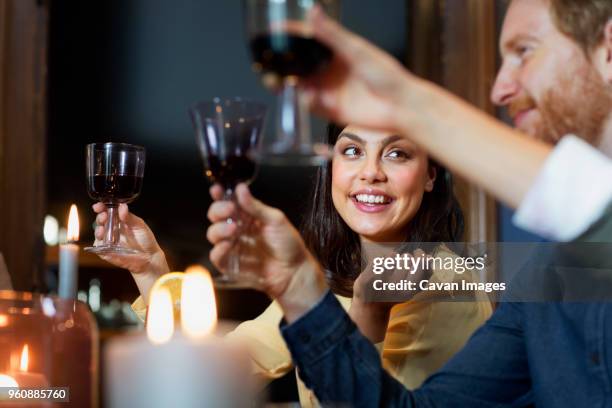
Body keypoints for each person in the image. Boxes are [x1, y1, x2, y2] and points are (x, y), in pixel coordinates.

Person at [206, 0, 612, 406]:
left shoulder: (454, 282)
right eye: (350, 152)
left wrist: (412, 104)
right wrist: (298, 285)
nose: (500, 89)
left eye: (524, 50)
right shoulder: (541, 282)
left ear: (608, 49)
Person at [92, 124, 491, 407]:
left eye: (397, 153)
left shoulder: (444, 281)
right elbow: (225, 365)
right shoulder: (335, 275)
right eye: (352, 151)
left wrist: (368, 314)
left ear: (430, 177)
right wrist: (151, 271)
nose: (371, 172)